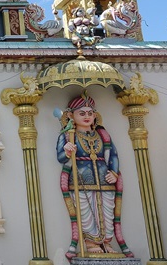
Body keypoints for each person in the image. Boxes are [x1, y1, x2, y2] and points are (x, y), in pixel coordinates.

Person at [56, 93, 131, 258]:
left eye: (90, 113)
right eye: (81, 113)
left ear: (95, 115)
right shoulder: (67, 135)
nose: (87, 116)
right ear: (70, 115)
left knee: (107, 212)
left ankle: (106, 242)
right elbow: (60, 157)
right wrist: (67, 151)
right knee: (86, 213)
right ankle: (91, 243)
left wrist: (113, 172)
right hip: (81, 180)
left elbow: (113, 155)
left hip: (105, 179)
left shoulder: (102, 135)